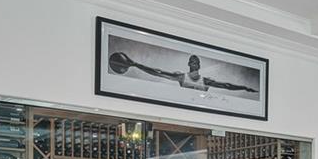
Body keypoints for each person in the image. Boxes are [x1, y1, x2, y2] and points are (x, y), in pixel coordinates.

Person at [108, 52, 258, 94]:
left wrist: (244, 88)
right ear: (189, 64)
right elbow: (158, 73)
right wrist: (135, 64)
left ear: (199, 65)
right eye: (192, 61)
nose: (194, 63)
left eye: (196, 61)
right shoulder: (181, 77)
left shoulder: (206, 81)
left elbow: (226, 85)